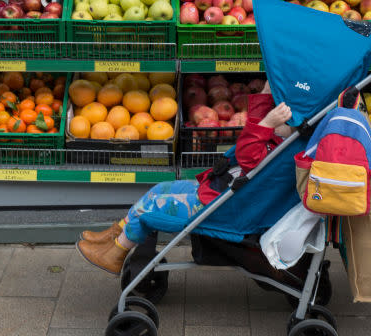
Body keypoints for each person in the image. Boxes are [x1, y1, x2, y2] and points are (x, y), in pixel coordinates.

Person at [77, 81, 293, 275]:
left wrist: (266, 123)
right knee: (160, 189)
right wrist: (266, 94)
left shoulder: (278, 150)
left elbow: (247, 155)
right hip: (220, 193)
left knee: (152, 206)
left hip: (221, 207)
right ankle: (116, 235)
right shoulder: (284, 141)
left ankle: (116, 253)